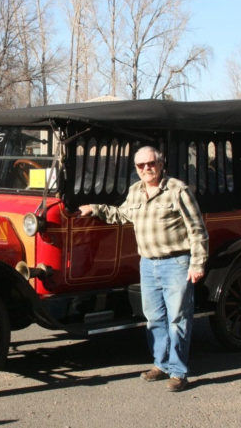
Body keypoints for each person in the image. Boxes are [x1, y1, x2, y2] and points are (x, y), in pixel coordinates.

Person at [78, 146, 208, 392]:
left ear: (161, 163)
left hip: (176, 262)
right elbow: (122, 215)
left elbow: (197, 229)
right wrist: (94, 208)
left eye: (151, 163)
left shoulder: (178, 190)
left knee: (178, 319)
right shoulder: (136, 191)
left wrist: (197, 263)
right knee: (154, 317)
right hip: (148, 264)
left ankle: (179, 372)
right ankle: (161, 364)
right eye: (141, 165)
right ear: (136, 168)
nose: (146, 169)